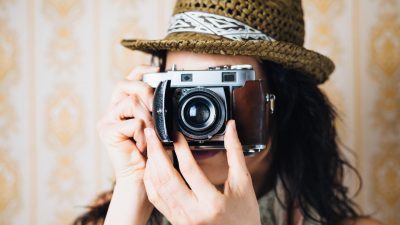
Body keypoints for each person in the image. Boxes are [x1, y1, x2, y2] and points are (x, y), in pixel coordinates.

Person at [74, 0, 383, 224]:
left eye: (222, 90)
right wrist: (131, 195)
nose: (197, 112)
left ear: (280, 103)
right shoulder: (114, 216)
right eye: (183, 90)